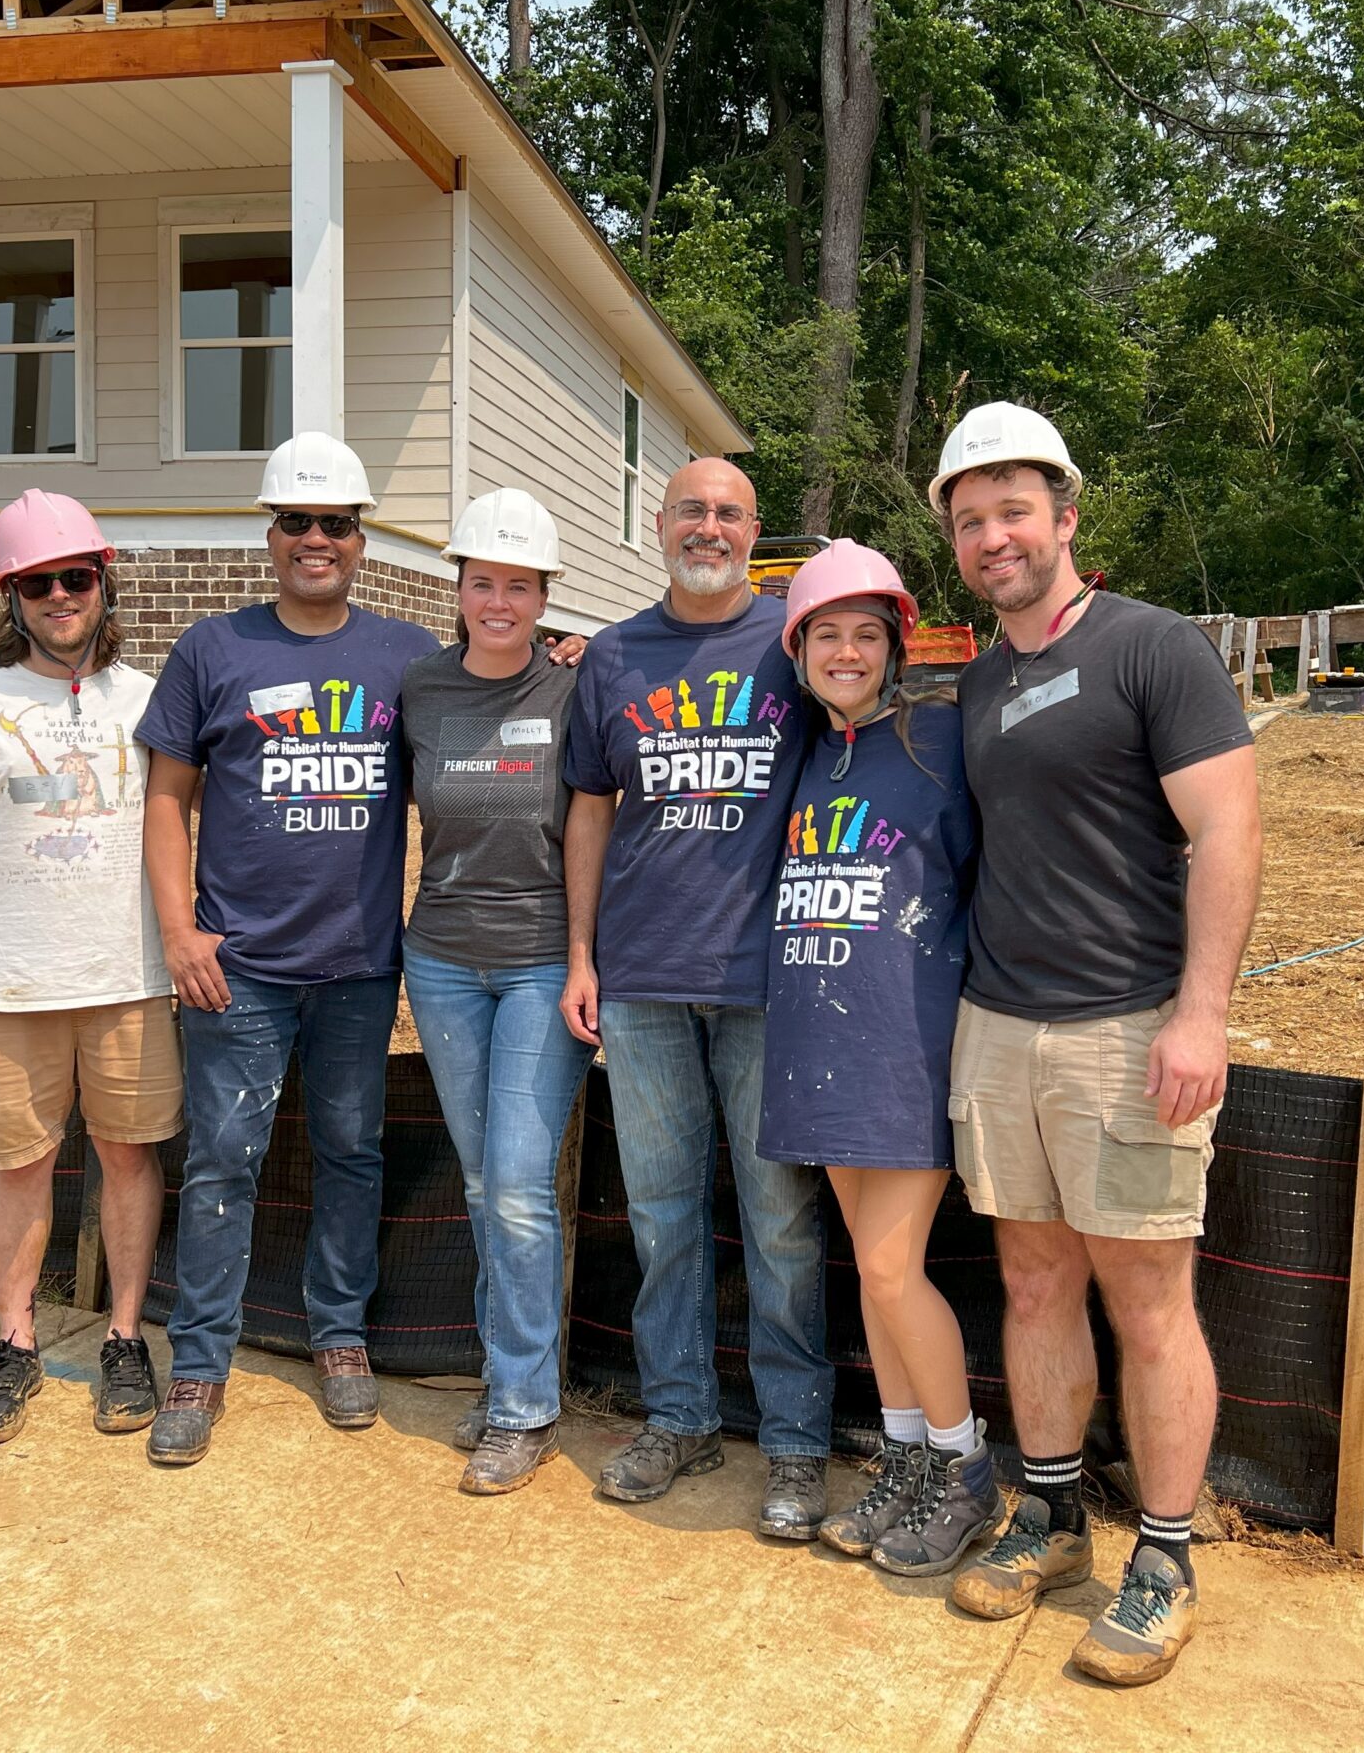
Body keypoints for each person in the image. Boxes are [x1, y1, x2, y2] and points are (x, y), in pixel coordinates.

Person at [930, 402, 1261, 1687]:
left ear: (1066, 518)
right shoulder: (979, 676)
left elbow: (1227, 835)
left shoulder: (1152, 650)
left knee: (1148, 1300)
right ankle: (1054, 1516)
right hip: (999, 1026)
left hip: (1127, 1029)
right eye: (969, 519)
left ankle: (1165, 1557)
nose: (992, 535)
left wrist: (1200, 1013)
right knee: (1030, 1281)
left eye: (1013, 510)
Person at [135, 432, 440, 1467]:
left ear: (362, 542)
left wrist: (566, 655)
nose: (317, 540)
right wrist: (180, 931)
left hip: (357, 962)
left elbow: (485, 720)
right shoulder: (212, 651)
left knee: (352, 1154)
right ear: (269, 536)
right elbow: (166, 801)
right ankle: (201, 1361)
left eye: (337, 525)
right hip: (240, 966)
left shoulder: (405, 657)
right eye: (298, 522)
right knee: (224, 1159)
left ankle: (339, 1337)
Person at [560, 456, 833, 1538]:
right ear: (657, 523)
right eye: (690, 511)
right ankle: (677, 1414)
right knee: (663, 1218)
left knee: (780, 1223)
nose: (707, 527)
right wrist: (581, 955)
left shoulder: (794, 642)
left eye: (728, 513)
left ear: (752, 530)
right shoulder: (615, 656)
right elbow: (587, 809)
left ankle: (798, 1442)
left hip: (767, 982)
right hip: (642, 982)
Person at [0, 489, 177, 1450]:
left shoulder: (149, 699)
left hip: (130, 975)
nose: (61, 595)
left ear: (104, 582)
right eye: (38, 582)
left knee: (129, 1154)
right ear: (9, 595)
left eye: (77, 577)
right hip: (8, 983)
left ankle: (125, 1336)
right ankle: (14, 1342)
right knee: (19, 1161)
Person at [753, 541, 992, 1576]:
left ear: (897, 645)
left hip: (907, 1041)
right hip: (819, 1036)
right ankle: (904, 1458)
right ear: (796, 648)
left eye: (865, 633)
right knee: (869, 1271)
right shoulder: (810, 750)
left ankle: (964, 1468)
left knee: (895, 1270)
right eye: (825, 634)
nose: (845, 652)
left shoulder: (942, 739)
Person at [398, 488, 594, 1495]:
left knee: (516, 1184)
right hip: (440, 959)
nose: (500, 602)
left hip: (539, 963)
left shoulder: (575, 683)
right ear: (460, 589)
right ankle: (509, 1375)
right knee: (485, 1185)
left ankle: (521, 1408)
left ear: (543, 597)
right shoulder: (422, 693)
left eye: (520, 586)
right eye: (484, 583)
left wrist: (587, 644)